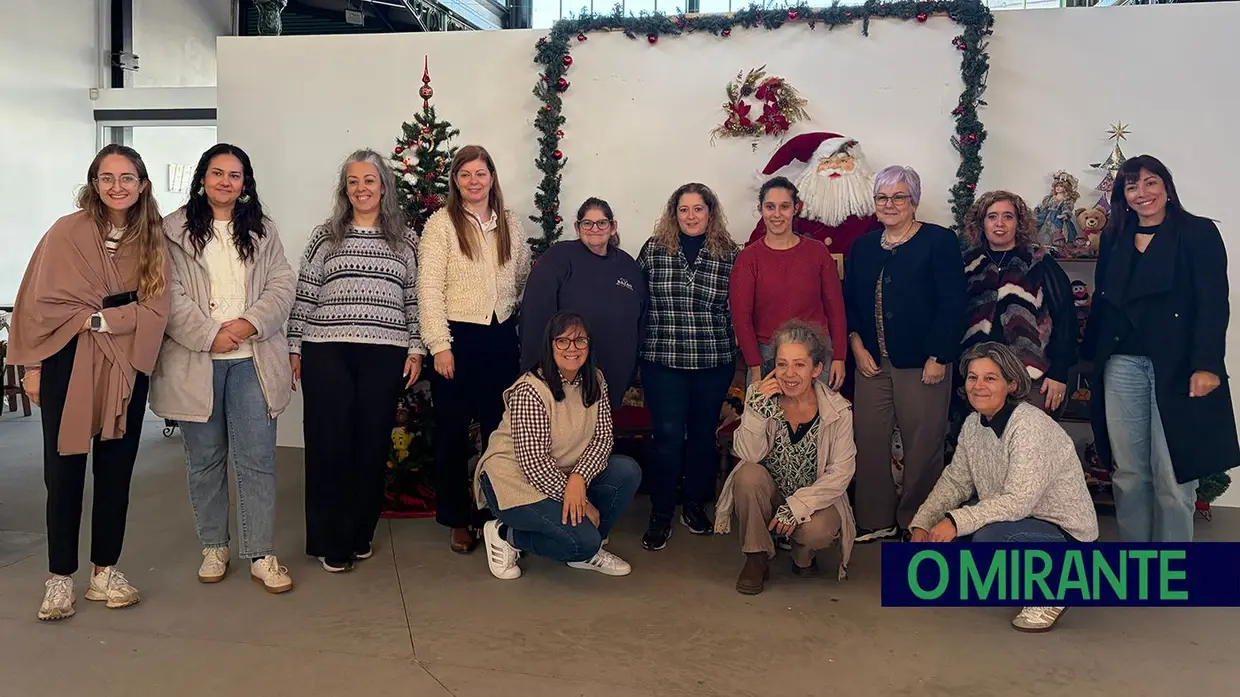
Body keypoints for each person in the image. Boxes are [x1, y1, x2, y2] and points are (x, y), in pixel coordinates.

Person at [9, 144, 171, 621]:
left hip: (123, 367)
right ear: (94, 183)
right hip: (66, 364)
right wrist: (33, 368)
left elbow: (156, 310)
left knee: (116, 472)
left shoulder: (154, 240)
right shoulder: (65, 232)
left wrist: (101, 321)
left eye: (126, 177)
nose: (117, 186)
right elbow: (37, 305)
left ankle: (104, 571)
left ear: (142, 184)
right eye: (107, 177)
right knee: (63, 474)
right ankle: (60, 578)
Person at [150, 143, 297, 593]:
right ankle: (214, 546)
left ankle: (261, 552)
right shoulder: (171, 230)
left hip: (252, 360)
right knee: (205, 460)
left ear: (245, 184)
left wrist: (248, 323)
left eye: (235, 175)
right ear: (202, 178)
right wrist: (210, 334)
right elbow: (166, 293)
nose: (226, 182)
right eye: (218, 173)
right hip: (196, 362)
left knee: (257, 460)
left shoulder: (262, 231)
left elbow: (282, 282)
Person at [1083, 155, 1239, 542]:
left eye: (1150, 183)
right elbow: (1103, 303)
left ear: (1166, 187)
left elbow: (1213, 302)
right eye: (1132, 186)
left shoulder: (1198, 233)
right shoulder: (1115, 237)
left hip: (1178, 364)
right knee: (1129, 469)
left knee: (1173, 467)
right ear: (1124, 195)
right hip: (1121, 363)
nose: (1142, 193)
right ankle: (1137, 555)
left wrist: (1207, 365)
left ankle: (1170, 560)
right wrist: (1088, 360)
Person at [289, 148, 424, 572]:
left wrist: (417, 346)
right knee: (329, 445)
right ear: (344, 189)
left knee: (370, 444)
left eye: (369, 180)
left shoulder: (405, 240)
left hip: (385, 352)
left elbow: (416, 297)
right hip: (326, 348)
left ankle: (360, 532)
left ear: (384, 186)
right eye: (353, 181)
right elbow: (306, 292)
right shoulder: (325, 235)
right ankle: (331, 541)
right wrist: (295, 345)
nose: (361, 188)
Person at [910, 341, 1099, 632]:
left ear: (1011, 384)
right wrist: (923, 524)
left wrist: (954, 521)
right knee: (941, 541)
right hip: (1019, 521)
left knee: (987, 539)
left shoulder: (1029, 426)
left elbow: (1017, 501)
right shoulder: (974, 423)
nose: (978, 386)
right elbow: (956, 481)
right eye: (972, 377)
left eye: (990, 378)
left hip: (1064, 534)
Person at [842, 165, 967, 543]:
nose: (890, 204)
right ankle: (874, 518)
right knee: (870, 438)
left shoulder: (938, 241)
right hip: (871, 363)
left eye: (899, 197)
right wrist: (856, 346)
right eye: (882, 197)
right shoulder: (863, 247)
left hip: (922, 362)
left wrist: (939, 355)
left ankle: (918, 521)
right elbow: (849, 301)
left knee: (923, 444)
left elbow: (953, 303)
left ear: (914, 201)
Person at [419, 145, 532, 553]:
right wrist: (439, 345)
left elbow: (522, 280)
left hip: (500, 337)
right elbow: (428, 290)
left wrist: (513, 324)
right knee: (451, 433)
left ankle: (492, 513)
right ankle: (455, 518)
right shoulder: (441, 226)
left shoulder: (511, 226)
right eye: (465, 174)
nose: (473, 181)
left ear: (491, 178)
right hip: (456, 340)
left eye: (480, 173)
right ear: (455, 181)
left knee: (498, 433)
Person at [475, 311, 641, 580]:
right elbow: (534, 464)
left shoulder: (596, 381)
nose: (572, 349)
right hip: (514, 481)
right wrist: (581, 501)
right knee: (582, 541)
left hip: (564, 473)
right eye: (562, 341)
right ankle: (505, 534)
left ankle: (583, 547)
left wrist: (578, 478)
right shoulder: (531, 389)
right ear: (549, 345)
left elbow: (603, 439)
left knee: (626, 471)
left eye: (579, 341)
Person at [713, 320, 857, 594]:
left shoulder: (838, 410)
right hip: (771, 491)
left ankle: (801, 552)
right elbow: (748, 454)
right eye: (782, 364)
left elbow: (841, 473)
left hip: (811, 501)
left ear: (816, 369)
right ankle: (756, 556)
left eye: (799, 365)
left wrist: (796, 506)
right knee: (747, 475)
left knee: (820, 530)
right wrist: (756, 411)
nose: (789, 374)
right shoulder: (761, 396)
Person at [636, 183, 739, 550]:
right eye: (684, 210)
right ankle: (661, 512)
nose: (691, 216)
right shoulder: (654, 250)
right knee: (666, 439)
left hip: (713, 362)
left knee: (701, 438)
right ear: (673, 213)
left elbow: (738, 308)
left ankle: (694, 505)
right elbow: (637, 303)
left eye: (698, 209)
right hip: (663, 361)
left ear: (710, 213)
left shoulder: (729, 254)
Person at [520, 197, 648, 409]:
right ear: (578, 228)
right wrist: (537, 370)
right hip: (565, 373)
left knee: (602, 436)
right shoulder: (558, 258)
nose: (594, 228)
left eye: (602, 222)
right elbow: (535, 316)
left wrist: (632, 367)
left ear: (613, 226)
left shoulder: (628, 267)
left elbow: (641, 321)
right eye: (587, 223)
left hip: (614, 374)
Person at [960, 190, 1076, 414]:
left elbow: (1066, 318)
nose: (1000, 223)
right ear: (981, 223)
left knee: (1029, 444)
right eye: (992, 216)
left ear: (1019, 223)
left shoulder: (1039, 261)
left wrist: (1059, 373)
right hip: (978, 377)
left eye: (1008, 216)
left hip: (1031, 376)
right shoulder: (968, 263)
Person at [730, 177, 847, 390]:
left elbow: (835, 307)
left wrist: (840, 356)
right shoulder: (748, 258)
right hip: (768, 355)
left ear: (796, 208)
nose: (777, 214)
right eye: (770, 207)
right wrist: (755, 366)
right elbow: (741, 317)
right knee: (767, 422)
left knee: (818, 419)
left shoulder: (817, 252)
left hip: (815, 354)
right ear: (761, 209)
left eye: (784, 206)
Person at [745, 133, 878, 260]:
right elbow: (755, 249)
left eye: (843, 161)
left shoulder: (874, 208)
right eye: (826, 163)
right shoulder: (795, 208)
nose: (834, 167)